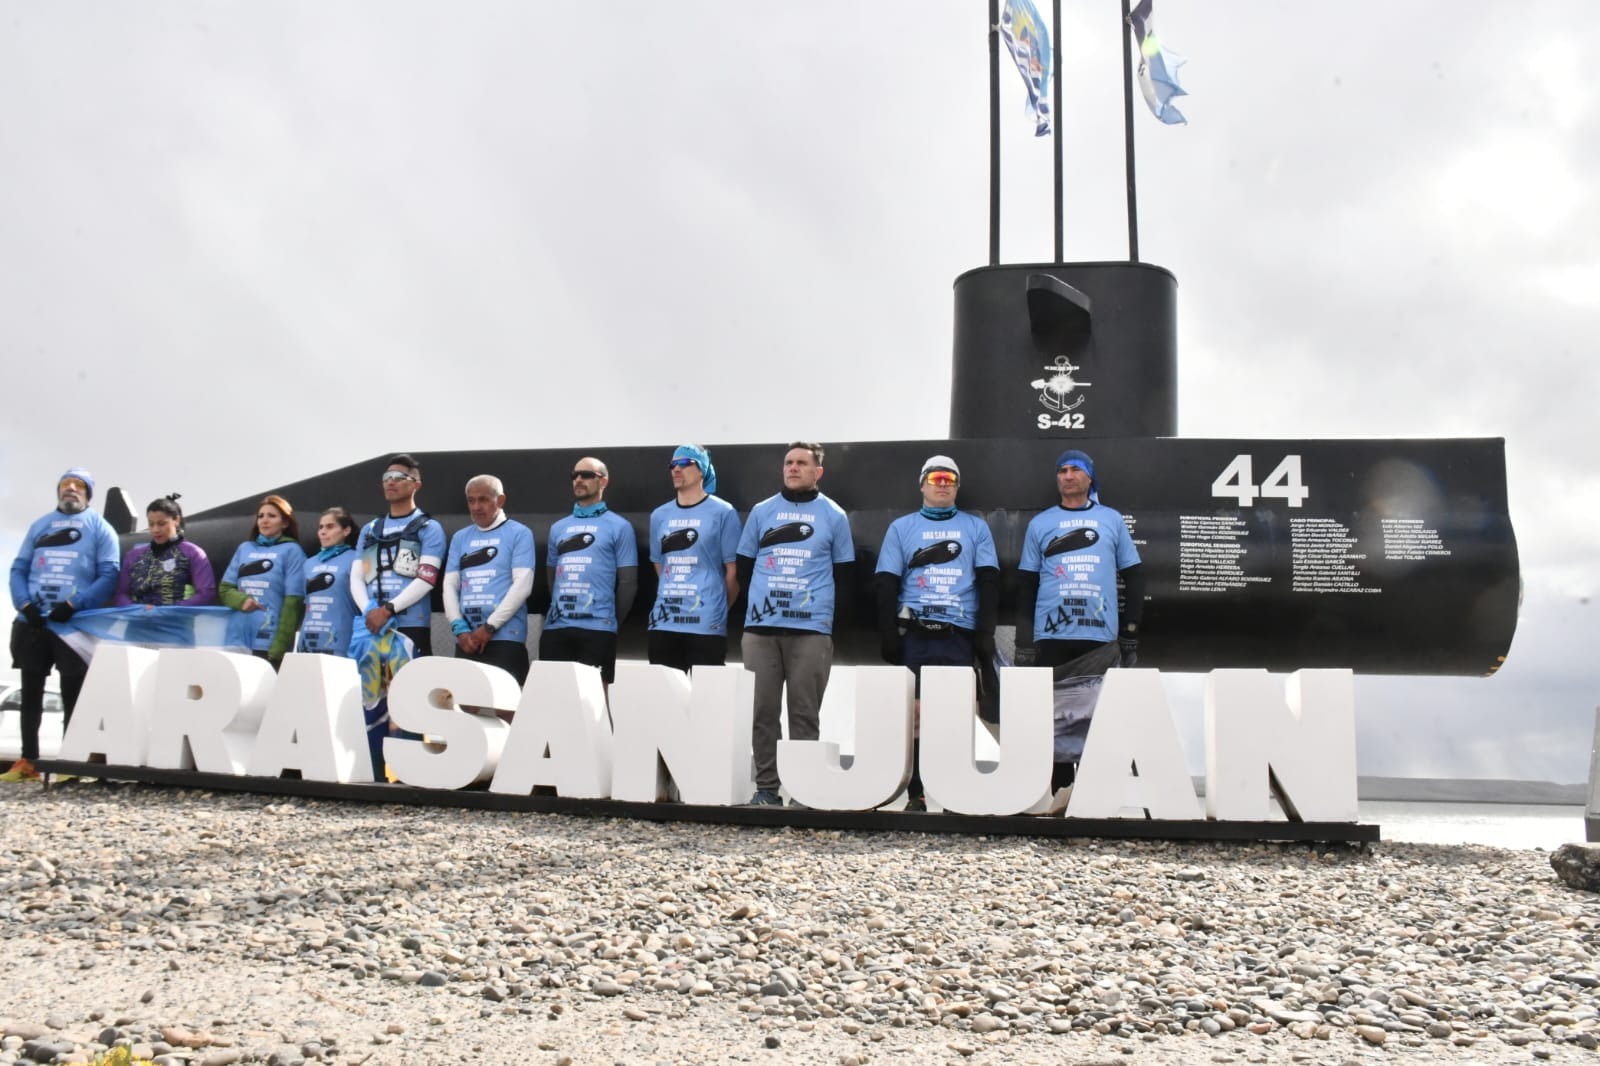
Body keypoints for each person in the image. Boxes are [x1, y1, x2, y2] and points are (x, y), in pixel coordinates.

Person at [1016, 449, 1145, 793]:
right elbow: (1027, 583)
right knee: (1055, 717)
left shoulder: (1111, 519)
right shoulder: (1040, 524)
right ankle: (1061, 794)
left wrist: (1130, 630)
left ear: (1089, 478)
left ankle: (1092, 796)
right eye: (1062, 470)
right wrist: (1024, 640)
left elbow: (1135, 576)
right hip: (1053, 635)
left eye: (1076, 470)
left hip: (1099, 634)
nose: (1068, 476)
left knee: (1097, 717)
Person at [875, 455, 999, 811]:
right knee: (913, 715)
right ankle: (916, 792)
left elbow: (988, 581)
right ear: (922, 484)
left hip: (958, 633)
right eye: (935, 478)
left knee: (955, 713)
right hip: (915, 633)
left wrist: (984, 633)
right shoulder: (902, 527)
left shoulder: (976, 527)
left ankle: (952, 790)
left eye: (949, 479)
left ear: (957, 486)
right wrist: (888, 633)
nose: (942, 484)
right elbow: (887, 581)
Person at [736, 442, 855, 806]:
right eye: (789, 462)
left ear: (818, 471)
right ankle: (767, 789)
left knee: (804, 712)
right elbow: (744, 564)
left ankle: (804, 791)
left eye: (802, 463)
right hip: (761, 629)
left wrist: (827, 623)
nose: (793, 468)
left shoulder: (834, 516)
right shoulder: (761, 511)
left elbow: (845, 574)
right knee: (762, 713)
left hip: (811, 630)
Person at [4, 468, 121, 782]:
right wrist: (24, 604)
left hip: (72, 624)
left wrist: (74, 604)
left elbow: (109, 574)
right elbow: (18, 568)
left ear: (88, 493)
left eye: (78, 485)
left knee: (73, 691)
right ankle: (28, 760)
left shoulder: (101, 528)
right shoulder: (39, 525)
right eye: (65, 484)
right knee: (31, 691)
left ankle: (71, 762)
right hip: (34, 621)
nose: (71, 488)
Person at [540, 456, 637, 685]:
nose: (579, 480)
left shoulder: (620, 527)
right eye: (575, 475)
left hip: (598, 629)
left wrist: (611, 621)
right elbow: (552, 576)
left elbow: (628, 583)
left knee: (596, 704)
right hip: (557, 628)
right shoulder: (558, 528)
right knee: (554, 698)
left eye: (587, 475)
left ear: (603, 481)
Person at [647, 444, 740, 672]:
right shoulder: (659, 515)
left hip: (705, 625)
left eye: (685, 463)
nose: (676, 469)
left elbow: (733, 572)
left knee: (705, 700)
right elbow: (660, 565)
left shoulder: (724, 512)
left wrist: (715, 608)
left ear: (702, 470)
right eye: (672, 464)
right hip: (664, 623)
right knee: (664, 701)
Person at [443, 475, 536, 685]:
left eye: (483, 499)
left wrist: (489, 627)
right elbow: (449, 585)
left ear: (500, 501)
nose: (476, 506)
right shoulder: (460, 537)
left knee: (508, 708)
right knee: (466, 708)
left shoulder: (520, 533)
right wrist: (459, 628)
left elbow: (522, 586)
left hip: (504, 638)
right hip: (466, 638)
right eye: (471, 500)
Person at [351, 454, 446, 657]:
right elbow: (356, 577)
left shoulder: (429, 528)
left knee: (410, 687)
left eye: (399, 477)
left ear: (416, 485)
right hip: (371, 624)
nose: (391, 481)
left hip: (410, 625)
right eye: (387, 477)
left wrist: (387, 611)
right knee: (368, 687)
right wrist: (369, 612)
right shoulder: (370, 529)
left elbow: (426, 580)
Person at [218, 495, 307, 668]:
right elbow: (225, 588)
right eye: (261, 516)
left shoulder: (293, 551)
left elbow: (293, 603)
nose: (264, 520)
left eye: (272, 516)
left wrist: (280, 645)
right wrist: (242, 600)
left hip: (268, 643)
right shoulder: (244, 548)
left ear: (285, 523)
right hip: (237, 639)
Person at [113, 493, 217, 607]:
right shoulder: (133, 556)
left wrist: (168, 611)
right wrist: (138, 610)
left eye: (161, 524)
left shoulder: (193, 553)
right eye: (151, 524)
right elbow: (121, 595)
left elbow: (206, 593)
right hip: (138, 621)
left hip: (176, 622)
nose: (155, 529)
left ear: (176, 520)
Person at [299, 507, 362, 658]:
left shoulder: (357, 559)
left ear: (346, 531)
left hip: (341, 641)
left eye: (330, 526)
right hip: (308, 639)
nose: (323, 531)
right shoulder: (308, 563)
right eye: (320, 527)